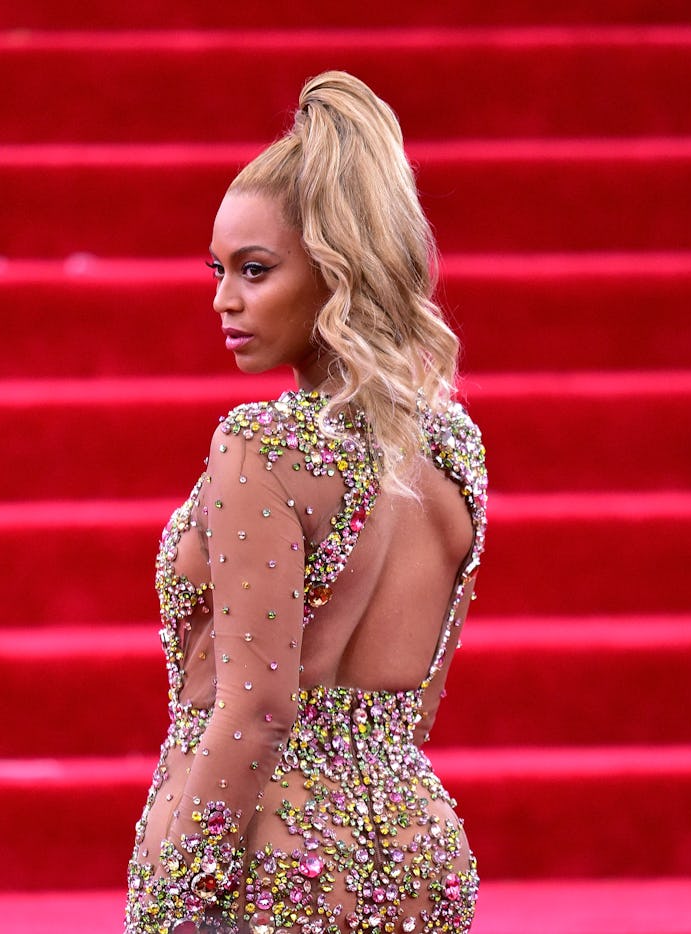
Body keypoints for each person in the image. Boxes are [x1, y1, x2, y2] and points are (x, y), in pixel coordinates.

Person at [125, 71, 488, 934]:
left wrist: (171, 898)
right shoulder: (451, 443)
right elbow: (419, 699)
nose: (223, 299)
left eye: (255, 270)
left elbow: (258, 710)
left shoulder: (262, 446)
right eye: (218, 269)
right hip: (419, 850)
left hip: (275, 858)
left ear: (339, 271)